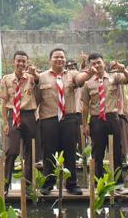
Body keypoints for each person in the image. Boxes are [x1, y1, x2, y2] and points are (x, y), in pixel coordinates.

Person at [36, 48, 93, 195]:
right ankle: (48, 183)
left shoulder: (72, 74)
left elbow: (80, 80)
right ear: (50, 60)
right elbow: (36, 99)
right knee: (48, 152)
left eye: (62, 57)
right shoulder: (41, 77)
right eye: (56, 57)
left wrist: (89, 73)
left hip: (69, 118)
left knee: (70, 151)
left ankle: (72, 184)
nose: (59, 60)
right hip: (49, 119)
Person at [82, 53, 128, 182]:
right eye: (93, 63)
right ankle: (98, 181)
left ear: (104, 63)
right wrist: (85, 125)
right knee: (97, 152)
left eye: (99, 62)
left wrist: (123, 69)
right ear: (90, 66)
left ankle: (118, 181)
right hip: (96, 119)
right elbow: (85, 106)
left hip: (112, 117)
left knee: (116, 151)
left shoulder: (114, 77)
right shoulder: (88, 84)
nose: (97, 65)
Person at [0, 51, 38, 194]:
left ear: (27, 63)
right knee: (13, 150)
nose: (21, 63)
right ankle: (5, 184)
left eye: (23, 61)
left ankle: (28, 185)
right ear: (13, 62)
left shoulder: (32, 78)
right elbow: (3, 102)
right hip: (13, 116)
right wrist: (5, 122)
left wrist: (34, 73)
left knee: (30, 151)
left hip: (29, 115)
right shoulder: (6, 79)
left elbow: (39, 85)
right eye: (18, 61)